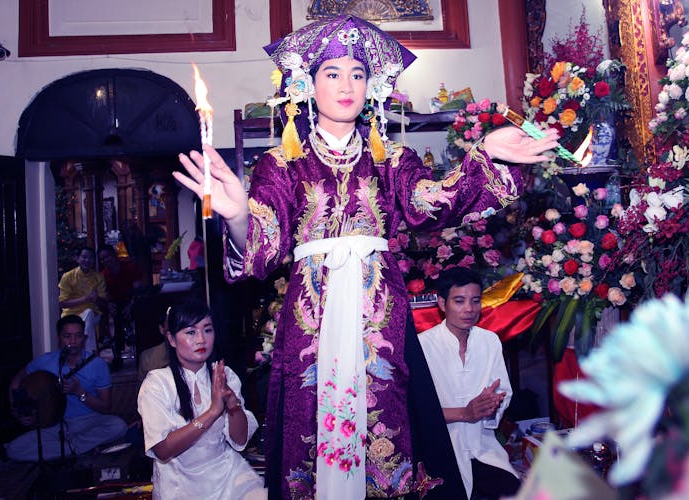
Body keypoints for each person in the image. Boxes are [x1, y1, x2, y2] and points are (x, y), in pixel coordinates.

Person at [174, 14, 558, 498]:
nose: (346, 85)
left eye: (357, 74)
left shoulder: (392, 160)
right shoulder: (282, 164)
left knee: (387, 422)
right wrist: (234, 217)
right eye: (332, 73)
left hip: (380, 317)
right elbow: (264, 242)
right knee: (312, 425)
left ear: (371, 85)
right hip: (313, 319)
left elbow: (431, 202)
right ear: (307, 85)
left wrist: (485, 153)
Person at [137, 300, 265, 499]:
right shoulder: (157, 384)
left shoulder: (225, 376)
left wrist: (233, 405)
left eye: (207, 330)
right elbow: (162, 450)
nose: (201, 340)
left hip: (227, 473)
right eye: (190, 332)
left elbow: (240, 441)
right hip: (179, 483)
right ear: (171, 339)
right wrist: (213, 411)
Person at [418, 268, 520, 499]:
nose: (469, 309)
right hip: (439, 451)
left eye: (475, 301)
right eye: (459, 301)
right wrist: (464, 413)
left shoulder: (489, 341)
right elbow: (416, 410)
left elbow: (503, 391)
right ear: (442, 303)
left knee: (513, 491)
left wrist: (491, 405)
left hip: (482, 446)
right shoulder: (423, 346)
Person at [7, 315, 127, 461]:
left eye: (78, 336)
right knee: (14, 449)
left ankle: (67, 449)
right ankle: (74, 449)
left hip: (90, 422)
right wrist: (19, 411)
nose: (73, 341)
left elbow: (106, 407)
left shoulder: (97, 364)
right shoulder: (45, 361)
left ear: (84, 337)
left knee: (118, 426)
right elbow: (17, 380)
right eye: (67, 336)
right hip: (55, 426)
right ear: (59, 338)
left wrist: (79, 392)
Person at [99, 244, 144, 366]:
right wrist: (108, 305)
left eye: (107, 257)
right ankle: (120, 346)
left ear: (114, 255)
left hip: (133, 301)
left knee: (129, 312)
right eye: (102, 259)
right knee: (117, 313)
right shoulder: (103, 275)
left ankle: (127, 350)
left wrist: (131, 306)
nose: (105, 261)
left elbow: (138, 290)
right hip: (116, 304)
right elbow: (104, 294)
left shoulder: (130, 267)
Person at [58, 247, 107, 353]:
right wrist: (85, 299)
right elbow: (62, 303)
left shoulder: (98, 277)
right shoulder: (68, 277)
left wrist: (96, 298)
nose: (87, 260)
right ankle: (90, 354)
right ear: (78, 258)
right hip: (71, 314)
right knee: (85, 321)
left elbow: (103, 302)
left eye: (91, 258)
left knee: (89, 313)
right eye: (84, 257)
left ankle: (87, 353)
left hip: (93, 313)